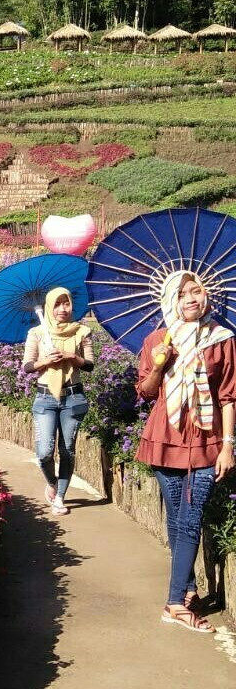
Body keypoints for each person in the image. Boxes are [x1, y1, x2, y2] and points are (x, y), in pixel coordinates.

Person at [136, 271, 235, 634]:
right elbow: (145, 392)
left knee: (190, 519)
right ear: (171, 301)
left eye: (197, 291)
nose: (193, 298)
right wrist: (160, 364)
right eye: (183, 294)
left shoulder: (221, 340)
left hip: (207, 442)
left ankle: (174, 603)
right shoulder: (156, 339)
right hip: (165, 438)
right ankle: (188, 589)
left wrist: (228, 446)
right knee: (178, 519)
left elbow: (228, 396)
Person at [22, 287, 94, 516]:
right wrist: (44, 361)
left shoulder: (82, 331)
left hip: (73, 397)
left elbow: (90, 365)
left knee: (68, 450)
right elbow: (27, 366)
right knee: (44, 452)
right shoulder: (37, 333)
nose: (63, 309)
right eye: (57, 304)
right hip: (45, 398)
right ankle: (52, 482)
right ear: (48, 307)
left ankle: (60, 497)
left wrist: (73, 357)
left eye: (67, 303)